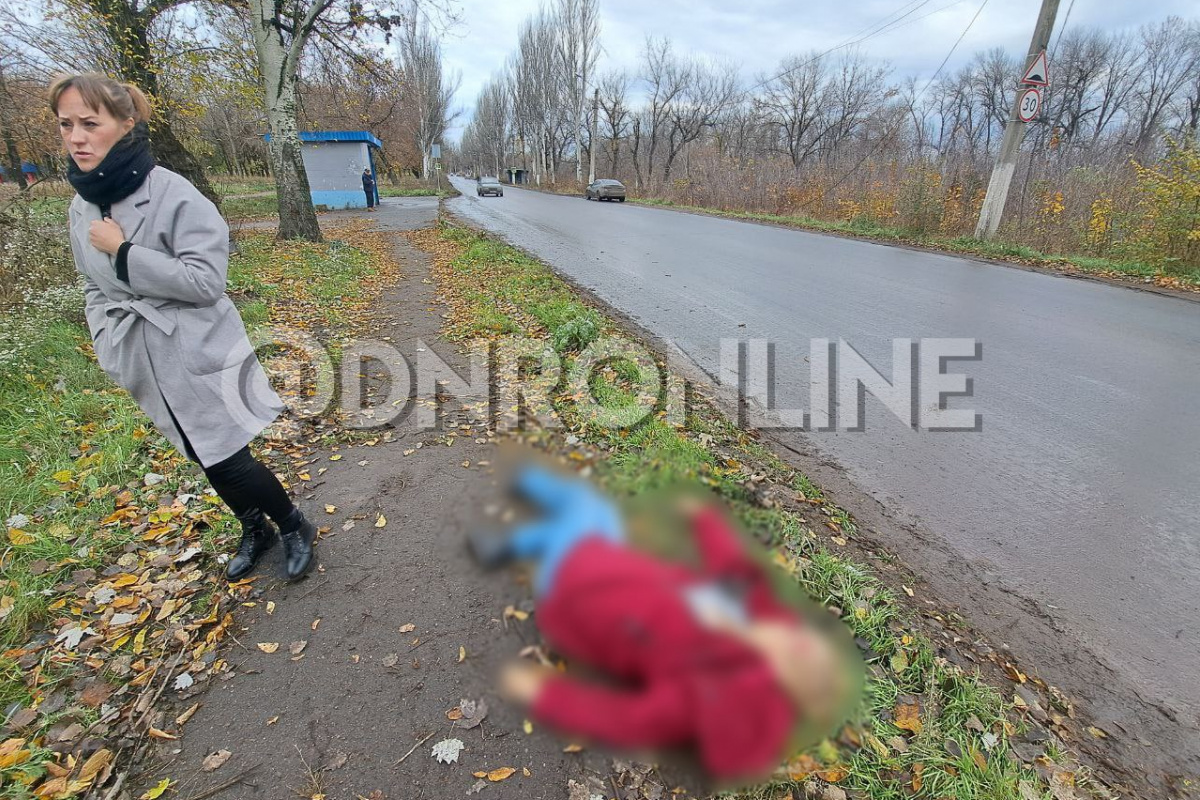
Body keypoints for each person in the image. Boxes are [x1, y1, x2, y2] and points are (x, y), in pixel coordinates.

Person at [51, 73, 318, 581]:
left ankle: (292, 523)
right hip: (139, 352)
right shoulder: (81, 205)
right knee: (199, 453)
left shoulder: (174, 193)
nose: (76, 137)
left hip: (195, 347)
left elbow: (205, 282)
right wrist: (106, 342)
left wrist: (125, 253)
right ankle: (252, 526)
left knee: (228, 455)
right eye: (66, 125)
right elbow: (90, 283)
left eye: (90, 123)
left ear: (126, 123)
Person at [471, 466, 857, 782]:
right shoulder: (760, 620)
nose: (791, 629)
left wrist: (544, 695)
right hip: (614, 570)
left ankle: (515, 524)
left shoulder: (704, 687)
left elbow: (625, 719)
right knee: (596, 517)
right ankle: (525, 508)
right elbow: (737, 574)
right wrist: (706, 522)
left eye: (795, 646)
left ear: (771, 674)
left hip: (574, 600)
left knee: (582, 509)